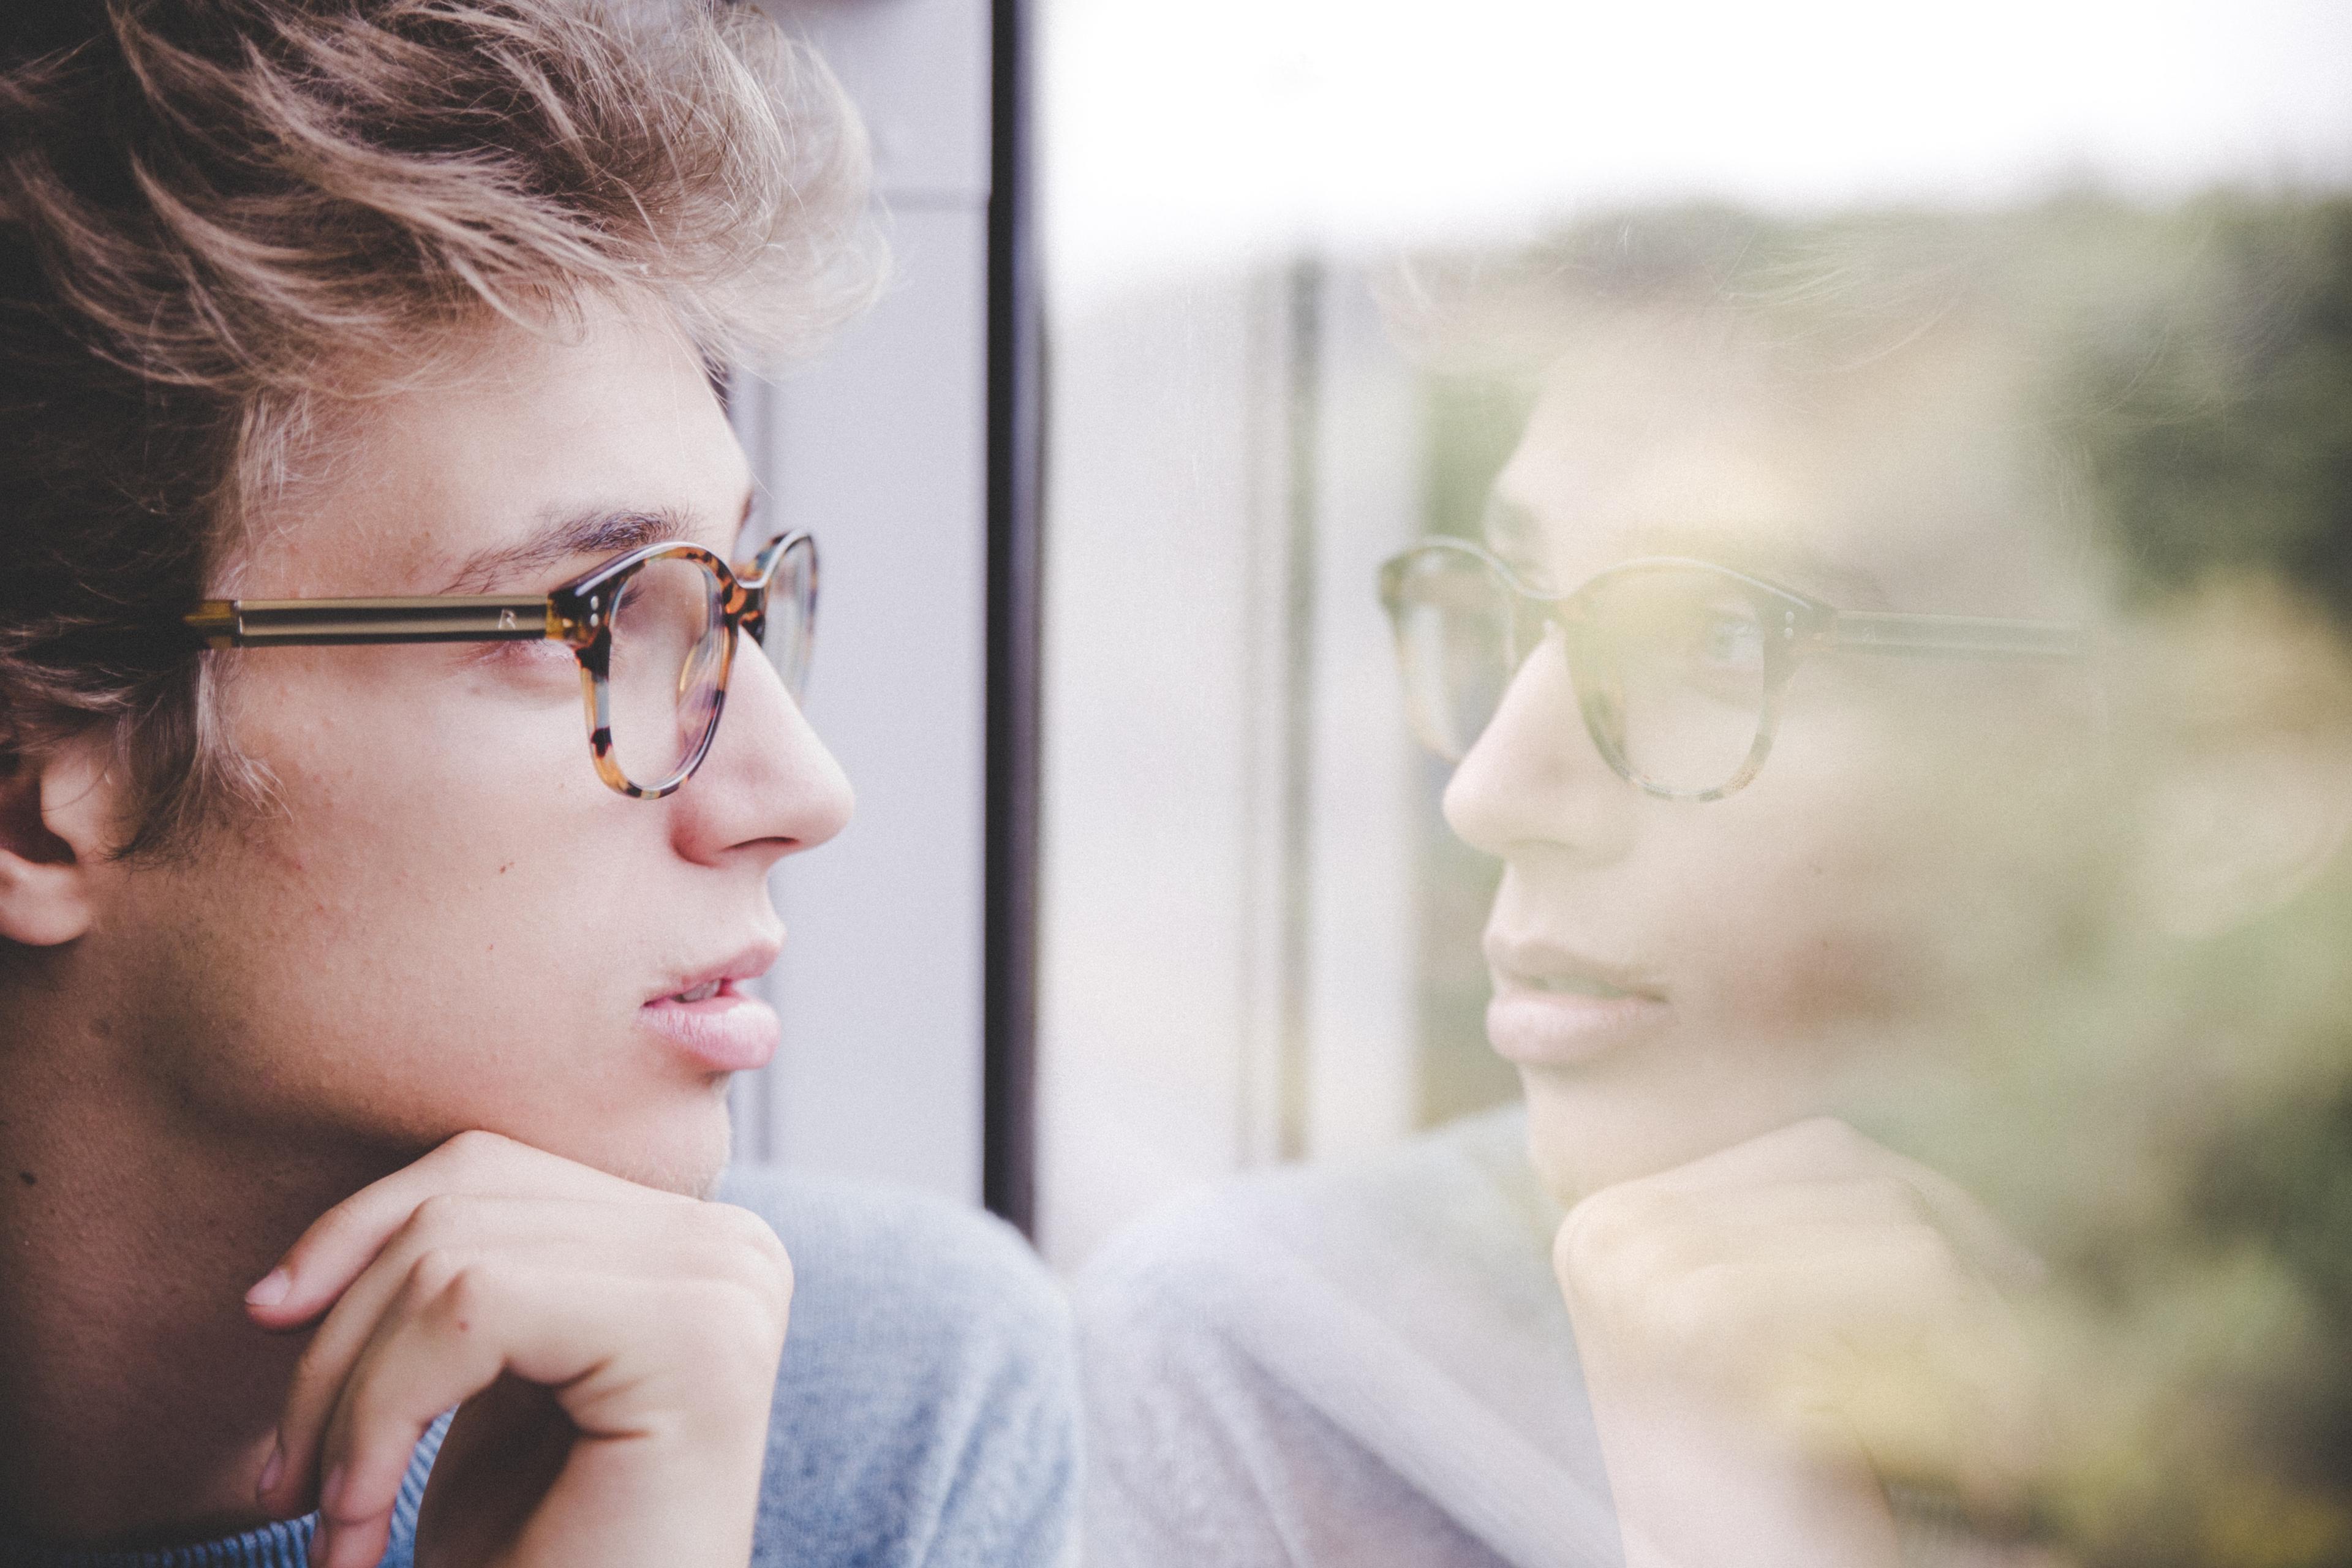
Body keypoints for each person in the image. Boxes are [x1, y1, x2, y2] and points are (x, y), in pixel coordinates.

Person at [1075, 201, 2352, 1568]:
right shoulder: (1281, 1380)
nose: (1492, 786)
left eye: (1721, 637)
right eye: (1513, 599)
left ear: (2219, 753)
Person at [0, 4, 1076, 1566]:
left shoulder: (874, 1407)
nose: (801, 787)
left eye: (737, 607)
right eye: (601, 611)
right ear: (38, 775)